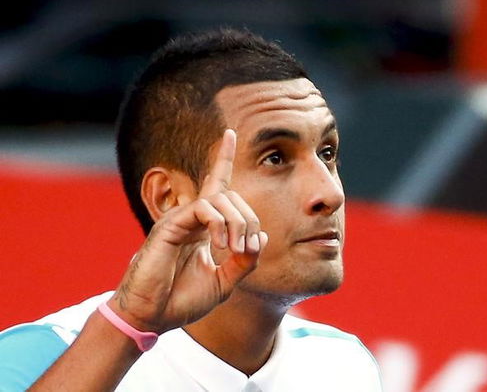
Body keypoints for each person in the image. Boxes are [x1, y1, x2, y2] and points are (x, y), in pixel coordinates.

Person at [0, 28, 382, 391]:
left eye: (327, 153)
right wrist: (128, 327)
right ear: (170, 198)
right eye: (275, 157)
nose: (329, 193)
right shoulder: (37, 356)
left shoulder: (345, 364)